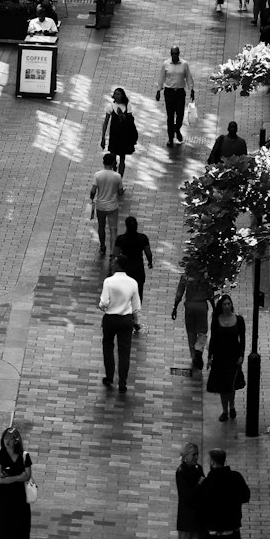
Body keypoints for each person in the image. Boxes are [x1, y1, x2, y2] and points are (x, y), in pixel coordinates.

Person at [0, 425, 33, 539]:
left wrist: (10, 478)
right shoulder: (0, 456)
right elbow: (0, 479)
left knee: (18, 523)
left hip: (19, 496)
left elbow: (27, 476)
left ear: (17, 441)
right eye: (5, 439)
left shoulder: (24, 455)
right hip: (3, 497)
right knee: (3, 523)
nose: (7, 442)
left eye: (10, 439)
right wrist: (17, 477)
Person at [99, 253, 141, 394]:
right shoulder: (133, 283)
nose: (111, 264)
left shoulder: (109, 282)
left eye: (113, 262)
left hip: (110, 319)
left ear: (117, 265)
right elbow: (136, 307)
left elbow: (104, 303)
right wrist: (137, 322)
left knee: (108, 346)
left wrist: (102, 307)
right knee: (124, 352)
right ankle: (123, 382)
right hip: (126, 320)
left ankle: (110, 376)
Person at [207, 295, 245, 421]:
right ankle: (225, 410)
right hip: (220, 357)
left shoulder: (238, 319)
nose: (227, 306)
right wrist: (209, 357)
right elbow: (213, 339)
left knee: (231, 384)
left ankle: (232, 406)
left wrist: (241, 356)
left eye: (229, 304)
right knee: (223, 386)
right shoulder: (216, 320)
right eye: (224, 304)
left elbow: (242, 339)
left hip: (233, 357)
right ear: (221, 306)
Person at [175, 443, 206, 539]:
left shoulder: (198, 468)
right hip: (188, 521)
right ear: (185, 456)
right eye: (193, 454)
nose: (196, 457)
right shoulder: (181, 472)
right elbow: (187, 497)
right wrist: (199, 485)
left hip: (199, 519)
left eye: (197, 454)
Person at [173, 269, 212, 371]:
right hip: (202, 306)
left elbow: (179, 293)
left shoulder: (186, 276)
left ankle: (194, 356)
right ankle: (199, 349)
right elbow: (210, 293)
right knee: (202, 331)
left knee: (191, 332)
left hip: (189, 306)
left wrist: (175, 307)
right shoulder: (205, 276)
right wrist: (215, 307)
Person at [156, 45, 195, 146]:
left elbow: (188, 77)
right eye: (172, 53)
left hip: (180, 93)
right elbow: (161, 78)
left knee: (180, 115)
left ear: (179, 53)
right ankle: (170, 138)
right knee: (170, 116)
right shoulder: (166, 64)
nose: (174, 55)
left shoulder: (184, 64)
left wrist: (191, 89)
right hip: (169, 92)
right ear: (170, 54)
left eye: (176, 53)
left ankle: (176, 129)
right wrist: (158, 91)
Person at [116, 215, 154, 313]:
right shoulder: (143, 238)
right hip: (138, 269)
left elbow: (115, 254)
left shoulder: (121, 239)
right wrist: (150, 262)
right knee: (138, 291)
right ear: (136, 226)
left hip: (125, 270)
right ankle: (136, 312)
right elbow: (148, 253)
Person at [89, 152, 124, 258]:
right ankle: (113, 252)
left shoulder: (98, 175)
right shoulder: (117, 176)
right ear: (114, 163)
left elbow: (93, 191)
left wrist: (92, 198)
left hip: (101, 206)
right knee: (113, 229)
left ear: (103, 162)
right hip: (113, 206)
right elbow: (120, 192)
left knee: (101, 227)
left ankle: (103, 247)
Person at [102, 87, 139, 178]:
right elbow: (106, 122)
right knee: (113, 157)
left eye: (118, 94)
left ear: (122, 95)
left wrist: (122, 115)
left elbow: (131, 119)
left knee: (122, 158)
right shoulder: (110, 106)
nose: (116, 96)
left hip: (124, 136)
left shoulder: (127, 106)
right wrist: (103, 137)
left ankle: (119, 178)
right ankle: (114, 173)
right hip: (114, 136)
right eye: (115, 94)